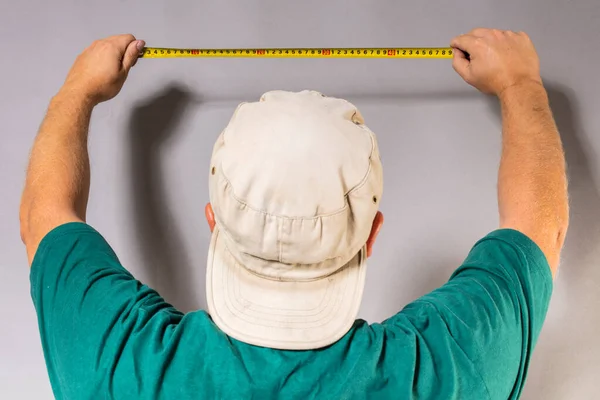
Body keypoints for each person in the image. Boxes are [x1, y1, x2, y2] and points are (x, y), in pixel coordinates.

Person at [20, 28, 568, 399]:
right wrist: (520, 83)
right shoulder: (440, 369)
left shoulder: (125, 363)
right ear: (372, 233)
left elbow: (45, 215)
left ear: (212, 220)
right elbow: (538, 227)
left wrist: (78, 91)